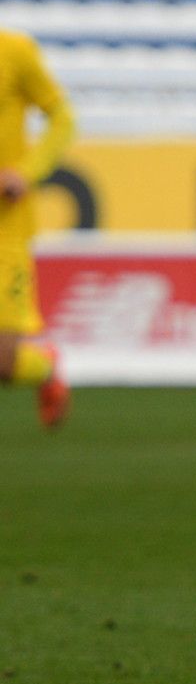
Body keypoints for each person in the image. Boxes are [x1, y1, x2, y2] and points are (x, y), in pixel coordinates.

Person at [0, 26, 76, 430]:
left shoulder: (14, 52)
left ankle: (45, 366)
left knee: (5, 364)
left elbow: (63, 118)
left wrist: (24, 173)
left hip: (4, 229)